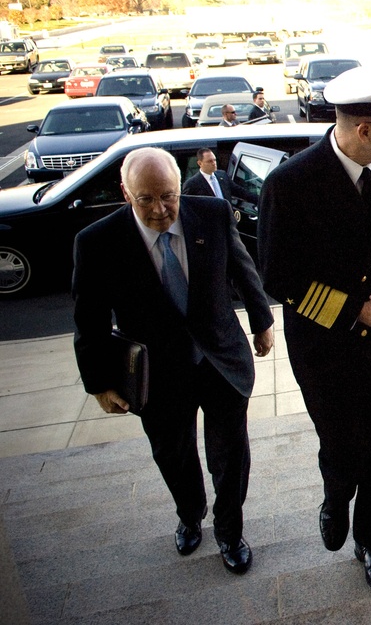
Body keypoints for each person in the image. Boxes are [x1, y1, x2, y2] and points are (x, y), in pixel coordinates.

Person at [257, 64, 371, 594]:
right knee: (341, 445)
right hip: (325, 346)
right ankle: (336, 496)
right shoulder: (290, 185)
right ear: (363, 130)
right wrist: (355, 309)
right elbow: (278, 276)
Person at [71, 147, 274, 575]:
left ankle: (230, 532)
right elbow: (88, 320)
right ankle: (190, 514)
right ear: (126, 193)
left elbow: (243, 271)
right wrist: (99, 384)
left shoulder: (214, 214)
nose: (160, 210)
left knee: (230, 455)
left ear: (181, 187)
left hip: (220, 362)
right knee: (173, 455)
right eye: (146, 200)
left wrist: (262, 322)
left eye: (168, 196)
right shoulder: (97, 243)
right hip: (158, 376)